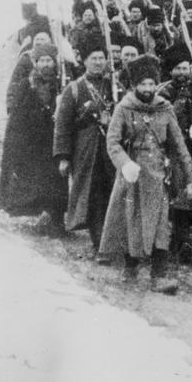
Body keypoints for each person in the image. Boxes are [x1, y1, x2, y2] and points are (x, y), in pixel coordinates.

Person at [98, 55, 192, 293]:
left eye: (151, 84)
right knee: (133, 221)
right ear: (134, 85)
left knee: (161, 224)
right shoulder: (124, 108)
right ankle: (130, 269)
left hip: (159, 175)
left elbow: (179, 145)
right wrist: (124, 163)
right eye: (142, 84)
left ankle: (159, 275)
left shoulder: (165, 108)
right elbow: (112, 142)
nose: (147, 89)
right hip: (133, 175)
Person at [53, 35, 125, 257]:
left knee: (113, 191)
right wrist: (63, 156)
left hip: (112, 149)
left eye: (101, 58)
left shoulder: (114, 86)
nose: (98, 62)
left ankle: (115, 240)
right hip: (85, 151)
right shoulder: (74, 89)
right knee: (92, 195)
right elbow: (63, 125)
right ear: (84, 61)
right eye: (93, 58)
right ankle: (99, 243)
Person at [0, 42, 68, 232]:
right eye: (42, 60)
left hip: (54, 142)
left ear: (54, 63)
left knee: (56, 182)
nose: (46, 64)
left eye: (49, 61)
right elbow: (17, 118)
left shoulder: (62, 86)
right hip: (33, 142)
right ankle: (39, 217)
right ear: (36, 63)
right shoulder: (25, 85)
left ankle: (56, 220)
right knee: (36, 180)